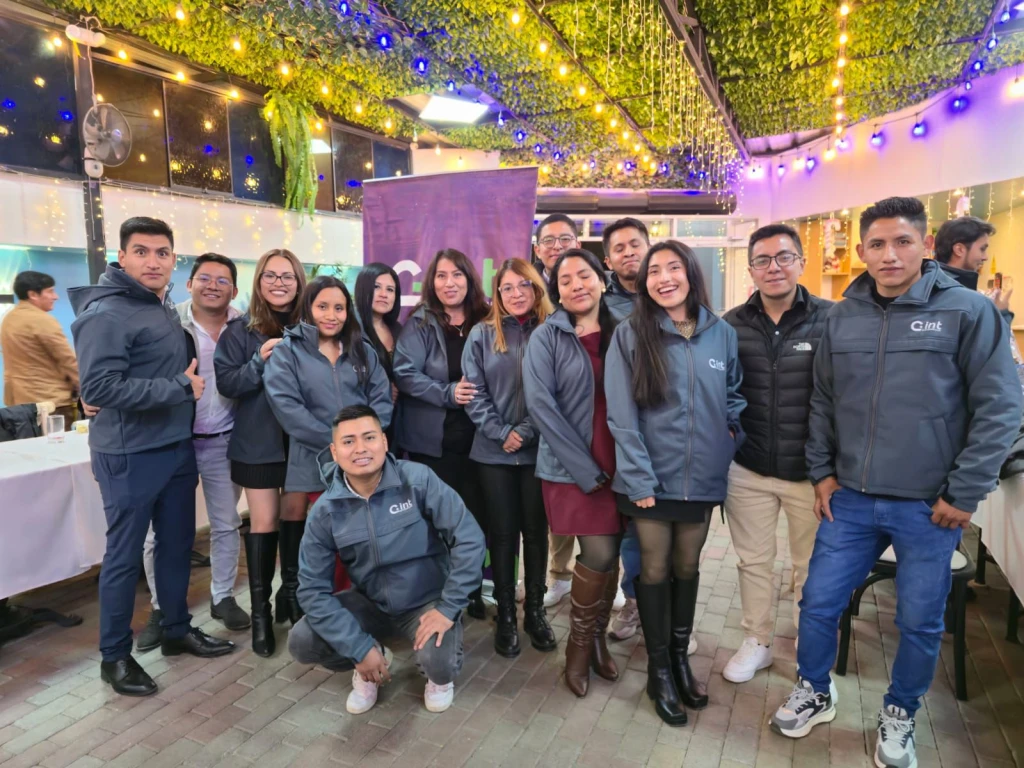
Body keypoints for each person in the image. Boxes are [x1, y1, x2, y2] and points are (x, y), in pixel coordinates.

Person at [771, 198, 1022, 768]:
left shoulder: (967, 312)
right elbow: (823, 400)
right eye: (878, 244)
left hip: (929, 507)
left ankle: (901, 712)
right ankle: (815, 689)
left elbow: (1000, 407)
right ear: (861, 250)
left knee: (919, 621)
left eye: (902, 242)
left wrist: (965, 492)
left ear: (926, 245)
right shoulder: (841, 317)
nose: (890, 255)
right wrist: (822, 472)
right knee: (818, 602)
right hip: (851, 500)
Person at [70, 217, 234, 697]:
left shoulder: (157, 306)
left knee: (177, 545)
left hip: (174, 448)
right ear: (122, 257)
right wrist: (178, 387)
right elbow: (99, 388)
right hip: (129, 455)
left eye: (162, 253)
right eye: (141, 251)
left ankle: (176, 629)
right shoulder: (105, 312)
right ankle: (114, 657)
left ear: (173, 260)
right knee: (123, 558)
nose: (153, 261)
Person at [605, 240, 745, 726]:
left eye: (673, 268)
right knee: (654, 569)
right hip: (650, 478)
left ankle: (681, 659)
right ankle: (659, 669)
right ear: (644, 282)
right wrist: (638, 477)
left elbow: (733, 394)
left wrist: (730, 436)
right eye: (654, 271)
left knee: (688, 567)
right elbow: (621, 413)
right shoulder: (631, 333)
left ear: (691, 273)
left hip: (701, 477)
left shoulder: (721, 333)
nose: (664, 278)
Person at [288, 405, 485, 716]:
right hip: (370, 604)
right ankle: (373, 655)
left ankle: (438, 676)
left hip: (426, 603)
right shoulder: (326, 511)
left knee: (440, 665)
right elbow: (312, 590)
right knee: (302, 640)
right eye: (349, 441)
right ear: (334, 452)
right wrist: (357, 648)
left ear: (384, 441)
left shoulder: (417, 480)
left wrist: (448, 607)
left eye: (369, 437)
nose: (360, 448)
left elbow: (469, 538)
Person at [719, 225, 832, 683]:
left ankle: (810, 641)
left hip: (811, 474)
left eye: (784, 257)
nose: (774, 267)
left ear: (801, 262)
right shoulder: (731, 325)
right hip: (749, 469)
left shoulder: (831, 319)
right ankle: (757, 640)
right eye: (762, 260)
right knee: (754, 562)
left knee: (810, 566)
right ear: (751, 270)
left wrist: (830, 467)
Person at [523, 248, 624, 698]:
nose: (576, 285)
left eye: (584, 275)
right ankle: (578, 649)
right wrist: (585, 469)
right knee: (598, 552)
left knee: (612, 551)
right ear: (556, 291)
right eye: (565, 280)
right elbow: (541, 406)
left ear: (601, 279)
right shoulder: (547, 336)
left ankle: (598, 639)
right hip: (572, 464)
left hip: (621, 460)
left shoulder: (624, 328)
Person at [264, 275, 393, 624]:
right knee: (325, 544)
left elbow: (381, 399)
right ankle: (324, 615)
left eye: (339, 307)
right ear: (308, 308)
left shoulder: (361, 349)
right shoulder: (288, 351)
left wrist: (363, 443)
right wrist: (338, 446)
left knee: (362, 542)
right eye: (322, 306)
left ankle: (363, 612)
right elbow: (288, 408)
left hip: (364, 466)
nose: (331, 315)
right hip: (314, 462)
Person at [139, 254, 249, 652]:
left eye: (222, 280)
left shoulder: (244, 326)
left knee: (226, 523)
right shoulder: (167, 322)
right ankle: (161, 608)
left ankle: (222, 596)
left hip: (224, 440)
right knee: (159, 534)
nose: (213, 286)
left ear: (234, 290)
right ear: (189, 284)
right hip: (175, 441)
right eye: (205, 278)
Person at [213, 248, 308, 657]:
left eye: (287, 276)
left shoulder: (312, 326)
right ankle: (261, 616)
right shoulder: (240, 330)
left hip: (302, 440)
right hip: (258, 442)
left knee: (296, 516)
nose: (279, 283)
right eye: (270, 275)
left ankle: (293, 596)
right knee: (264, 522)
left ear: (299, 283)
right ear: (259, 282)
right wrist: (258, 362)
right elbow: (228, 383)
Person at [462, 258, 556, 657]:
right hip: (492, 453)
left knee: (535, 533)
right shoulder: (482, 334)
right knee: (501, 534)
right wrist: (502, 432)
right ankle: (504, 615)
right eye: (507, 287)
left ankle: (534, 611)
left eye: (524, 285)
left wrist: (528, 431)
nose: (516, 293)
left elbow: (558, 391)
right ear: (497, 293)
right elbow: (473, 391)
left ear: (536, 288)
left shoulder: (552, 330)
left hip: (538, 452)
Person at [393, 249, 490, 619]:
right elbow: (405, 373)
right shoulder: (420, 322)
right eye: (441, 276)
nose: (450, 283)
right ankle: (441, 595)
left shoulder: (486, 318)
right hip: (434, 442)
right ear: (431, 282)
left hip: (482, 440)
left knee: (477, 520)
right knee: (438, 523)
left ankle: (472, 590)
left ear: (469, 279)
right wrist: (447, 393)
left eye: (457, 275)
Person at [600, 217, 650, 641]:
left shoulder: (672, 294)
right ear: (608, 260)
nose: (629, 252)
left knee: (665, 530)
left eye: (635, 244)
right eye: (619, 248)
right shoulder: (602, 305)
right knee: (629, 526)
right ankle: (633, 601)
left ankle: (666, 610)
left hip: (666, 432)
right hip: (615, 427)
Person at [531, 215, 583, 609]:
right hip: (540, 417)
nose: (557, 246)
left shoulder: (591, 286)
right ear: (537, 249)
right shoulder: (527, 289)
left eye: (565, 238)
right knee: (556, 509)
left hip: (586, 414)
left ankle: (607, 577)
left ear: (577, 243)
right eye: (549, 240)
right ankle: (559, 574)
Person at [1, 270, 79, 425]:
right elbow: (68, 361)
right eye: (50, 291)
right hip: (50, 401)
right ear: (33, 295)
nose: (55, 297)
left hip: (19, 403)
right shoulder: (42, 320)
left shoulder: (8, 319)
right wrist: (89, 389)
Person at [354, 263, 403, 445]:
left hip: (397, 421)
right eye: (376, 287)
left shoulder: (398, 329)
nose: (384, 294)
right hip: (362, 421)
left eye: (390, 290)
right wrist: (384, 390)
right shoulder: (350, 330)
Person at [933, 216, 1014, 322]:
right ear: (959, 250)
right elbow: (984, 333)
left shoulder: (927, 287)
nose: (985, 257)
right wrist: (999, 314)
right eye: (982, 249)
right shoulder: (950, 296)